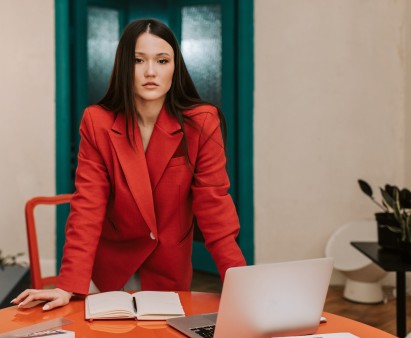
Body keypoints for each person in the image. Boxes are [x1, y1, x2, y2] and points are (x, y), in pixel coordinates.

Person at [13, 18, 246, 311]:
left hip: (167, 271)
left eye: (162, 60)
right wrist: (67, 284)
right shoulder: (97, 122)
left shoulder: (202, 122)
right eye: (138, 60)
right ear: (125, 65)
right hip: (108, 268)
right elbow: (88, 206)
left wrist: (238, 282)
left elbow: (214, 208)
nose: (150, 71)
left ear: (175, 66)